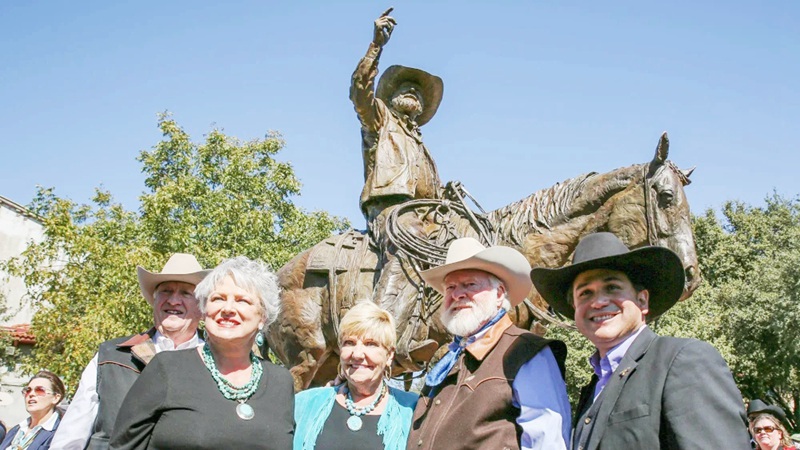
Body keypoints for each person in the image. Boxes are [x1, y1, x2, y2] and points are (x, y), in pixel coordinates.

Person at [530, 231, 751, 449]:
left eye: (612, 287)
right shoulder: (593, 388)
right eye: (585, 293)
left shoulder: (684, 359)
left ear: (642, 300)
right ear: (575, 309)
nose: (598, 302)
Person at [110, 256, 294, 449]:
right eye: (218, 299)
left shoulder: (281, 382)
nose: (228, 308)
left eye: (242, 301)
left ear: (262, 317)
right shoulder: (167, 369)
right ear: (204, 311)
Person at [407, 237, 571, 450]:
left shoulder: (525, 351)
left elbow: (548, 443)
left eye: (470, 284)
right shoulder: (450, 359)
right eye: (450, 287)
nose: (457, 294)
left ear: (499, 294)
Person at [350, 6, 446, 370]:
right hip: (391, 214)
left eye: (419, 93)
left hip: (424, 217)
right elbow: (359, 90)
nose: (413, 93)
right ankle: (384, 337)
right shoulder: (379, 120)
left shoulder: (422, 146)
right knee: (409, 242)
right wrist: (376, 46)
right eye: (406, 87)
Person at [50, 253, 209, 450]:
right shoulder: (111, 355)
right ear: (154, 299)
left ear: (202, 308)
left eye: (186, 293)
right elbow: (72, 433)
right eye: (166, 291)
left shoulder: (218, 361)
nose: (174, 300)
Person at [294, 301, 417, 450]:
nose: (357, 354)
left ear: (389, 355)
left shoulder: (412, 410)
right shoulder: (305, 404)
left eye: (370, 344)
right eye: (349, 343)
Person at [1, 370, 66, 450]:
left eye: (40, 390)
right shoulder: (17, 430)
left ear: (55, 398)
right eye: (28, 390)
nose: (31, 394)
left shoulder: (61, 433)